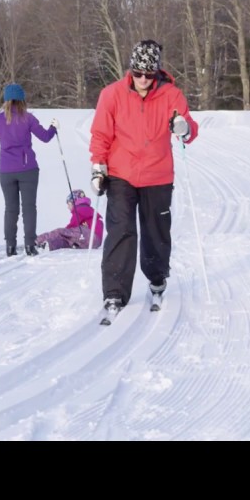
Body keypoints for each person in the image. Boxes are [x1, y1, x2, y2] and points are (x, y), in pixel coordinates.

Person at [89, 40, 199, 316]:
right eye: (137, 73)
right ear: (130, 70)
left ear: (157, 73)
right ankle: (114, 292)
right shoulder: (111, 94)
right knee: (120, 231)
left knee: (155, 233)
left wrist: (184, 128)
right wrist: (98, 167)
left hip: (158, 174)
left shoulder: (171, 95)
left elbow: (188, 129)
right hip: (121, 174)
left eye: (148, 75)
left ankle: (157, 279)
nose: (141, 79)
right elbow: (101, 134)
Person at [0, 83, 58, 256]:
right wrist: (53, 128)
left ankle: (10, 247)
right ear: (22, 99)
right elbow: (45, 137)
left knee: (10, 209)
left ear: (6, 100)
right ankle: (30, 246)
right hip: (28, 169)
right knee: (29, 208)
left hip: (6, 171)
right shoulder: (28, 118)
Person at [36, 189, 105, 250]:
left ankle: (37, 240)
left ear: (74, 202)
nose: (68, 207)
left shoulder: (79, 209)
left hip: (91, 235)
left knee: (60, 231)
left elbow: (72, 225)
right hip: (95, 242)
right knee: (68, 240)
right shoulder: (86, 209)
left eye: (69, 204)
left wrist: (64, 231)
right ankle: (48, 245)